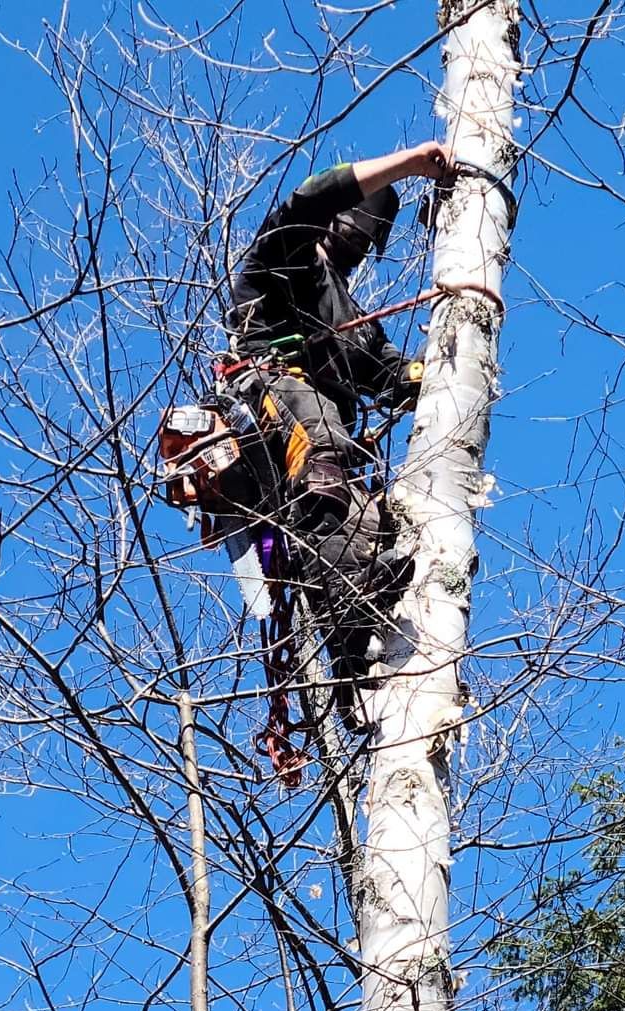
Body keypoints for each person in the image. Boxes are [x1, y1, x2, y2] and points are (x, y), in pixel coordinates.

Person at [227, 142, 451, 694]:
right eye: (352, 231)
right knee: (325, 446)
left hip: (315, 465)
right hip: (272, 403)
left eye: (364, 241)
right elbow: (309, 199)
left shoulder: (359, 325)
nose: (354, 245)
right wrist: (409, 163)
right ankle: (352, 605)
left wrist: (455, 347)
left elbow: (398, 376)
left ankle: (354, 655)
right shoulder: (286, 257)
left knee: (372, 522)